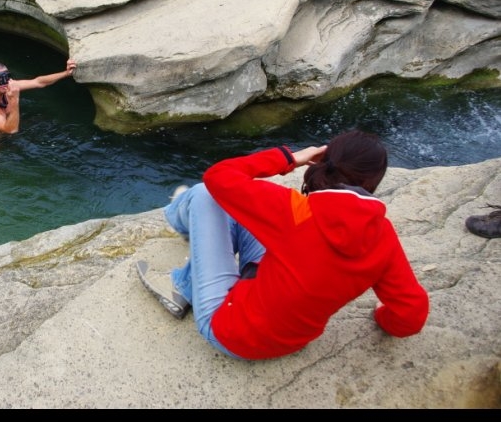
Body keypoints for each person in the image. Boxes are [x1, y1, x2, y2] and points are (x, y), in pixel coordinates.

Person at [137, 129, 429, 360]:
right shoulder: (383, 236)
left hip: (228, 331)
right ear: (373, 182)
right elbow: (411, 317)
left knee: (204, 194)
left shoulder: (295, 211)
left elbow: (218, 176)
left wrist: (291, 158)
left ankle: (181, 272)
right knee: (240, 210)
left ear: (326, 162)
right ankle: (190, 237)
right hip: (293, 341)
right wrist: (382, 316)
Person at [0, 58, 77, 142]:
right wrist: (14, 99)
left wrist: (66, 73)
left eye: (7, 77)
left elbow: (38, 82)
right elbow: (11, 130)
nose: (5, 83)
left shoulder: (8, 87)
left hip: (12, 127)